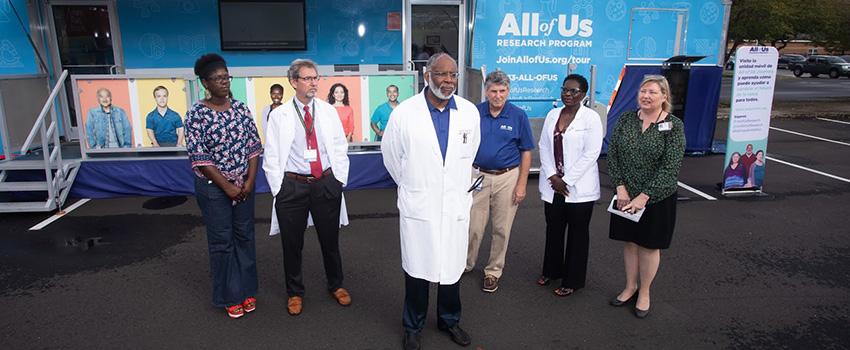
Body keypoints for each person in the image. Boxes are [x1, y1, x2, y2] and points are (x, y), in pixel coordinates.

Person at [382, 53, 480, 350]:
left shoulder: (468, 112)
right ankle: (413, 326)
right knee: (418, 269)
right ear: (427, 75)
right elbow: (391, 156)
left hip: (454, 204)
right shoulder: (405, 113)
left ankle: (449, 320)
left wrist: (447, 184)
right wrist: (415, 184)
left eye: (453, 75)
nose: (448, 81)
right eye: (441, 74)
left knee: (451, 268)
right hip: (419, 202)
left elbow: (471, 153)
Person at [263, 59, 351, 317]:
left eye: (316, 78)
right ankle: (294, 292)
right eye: (308, 78)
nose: (314, 83)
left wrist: (338, 181)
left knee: (330, 240)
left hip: (325, 183)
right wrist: (278, 189)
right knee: (292, 244)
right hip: (293, 185)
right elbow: (271, 155)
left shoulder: (327, 110)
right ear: (294, 82)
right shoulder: (279, 115)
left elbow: (339, 147)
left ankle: (336, 285)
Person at [184, 53, 262, 319]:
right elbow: (199, 155)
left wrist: (250, 180)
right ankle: (230, 295)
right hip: (213, 188)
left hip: (243, 185)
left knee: (245, 237)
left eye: (226, 77)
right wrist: (226, 186)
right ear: (205, 83)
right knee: (222, 241)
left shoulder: (241, 108)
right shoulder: (196, 113)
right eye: (217, 78)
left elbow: (253, 146)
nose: (224, 82)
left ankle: (247, 289)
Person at [607, 74, 685, 319]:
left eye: (652, 92)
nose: (646, 96)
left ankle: (645, 292)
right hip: (625, 196)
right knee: (630, 243)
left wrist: (644, 196)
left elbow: (670, 166)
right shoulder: (626, 119)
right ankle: (630, 287)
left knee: (649, 246)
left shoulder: (673, 125)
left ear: (664, 97)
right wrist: (620, 187)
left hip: (656, 198)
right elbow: (613, 154)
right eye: (643, 91)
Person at [465, 70, 534, 293]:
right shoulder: (474, 113)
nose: (497, 95)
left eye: (502, 91)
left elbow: (526, 152)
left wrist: (522, 184)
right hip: (478, 176)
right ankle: (465, 264)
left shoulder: (518, 115)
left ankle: (493, 271)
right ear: (486, 91)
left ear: (508, 91)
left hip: (507, 177)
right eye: (493, 91)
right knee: (473, 226)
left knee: (501, 229)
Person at [536, 74, 603, 297]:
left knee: (577, 234)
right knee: (553, 230)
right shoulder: (553, 114)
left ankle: (572, 280)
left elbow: (591, 153)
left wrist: (567, 180)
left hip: (578, 188)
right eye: (565, 89)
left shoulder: (591, 118)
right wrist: (554, 177)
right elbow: (543, 146)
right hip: (554, 185)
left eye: (573, 91)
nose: (568, 94)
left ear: (583, 95)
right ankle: (551, 270)